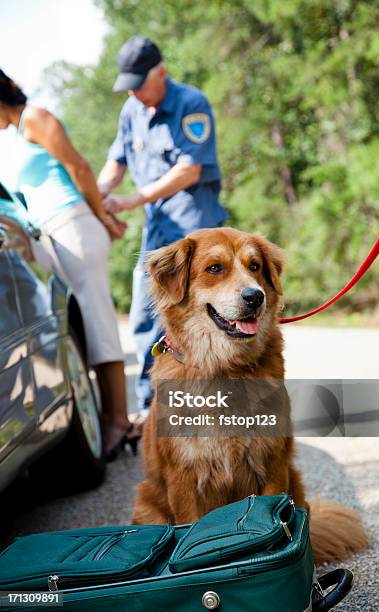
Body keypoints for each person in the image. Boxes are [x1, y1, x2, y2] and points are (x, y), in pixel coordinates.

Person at [0, 69, 138, 461]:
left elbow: (78, 167)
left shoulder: (37, 118)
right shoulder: (11, 138)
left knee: (97, 324)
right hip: (53, 233)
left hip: (76, 224)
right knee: (84, 329)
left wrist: (105, 219)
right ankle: (111, 417)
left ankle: (119, 421)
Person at [98, 36, 227, 413]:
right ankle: (152, 409)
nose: (135, 94)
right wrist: (100, 193)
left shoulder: (191, 104)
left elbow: (189, 169)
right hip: (156, 233)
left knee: (207, 321)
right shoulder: (131, 111)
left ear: (161, 73)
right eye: (129, 86)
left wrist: (134, 199)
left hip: (196, 233)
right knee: (146, 317)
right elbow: (116, 162)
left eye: (140, 84)